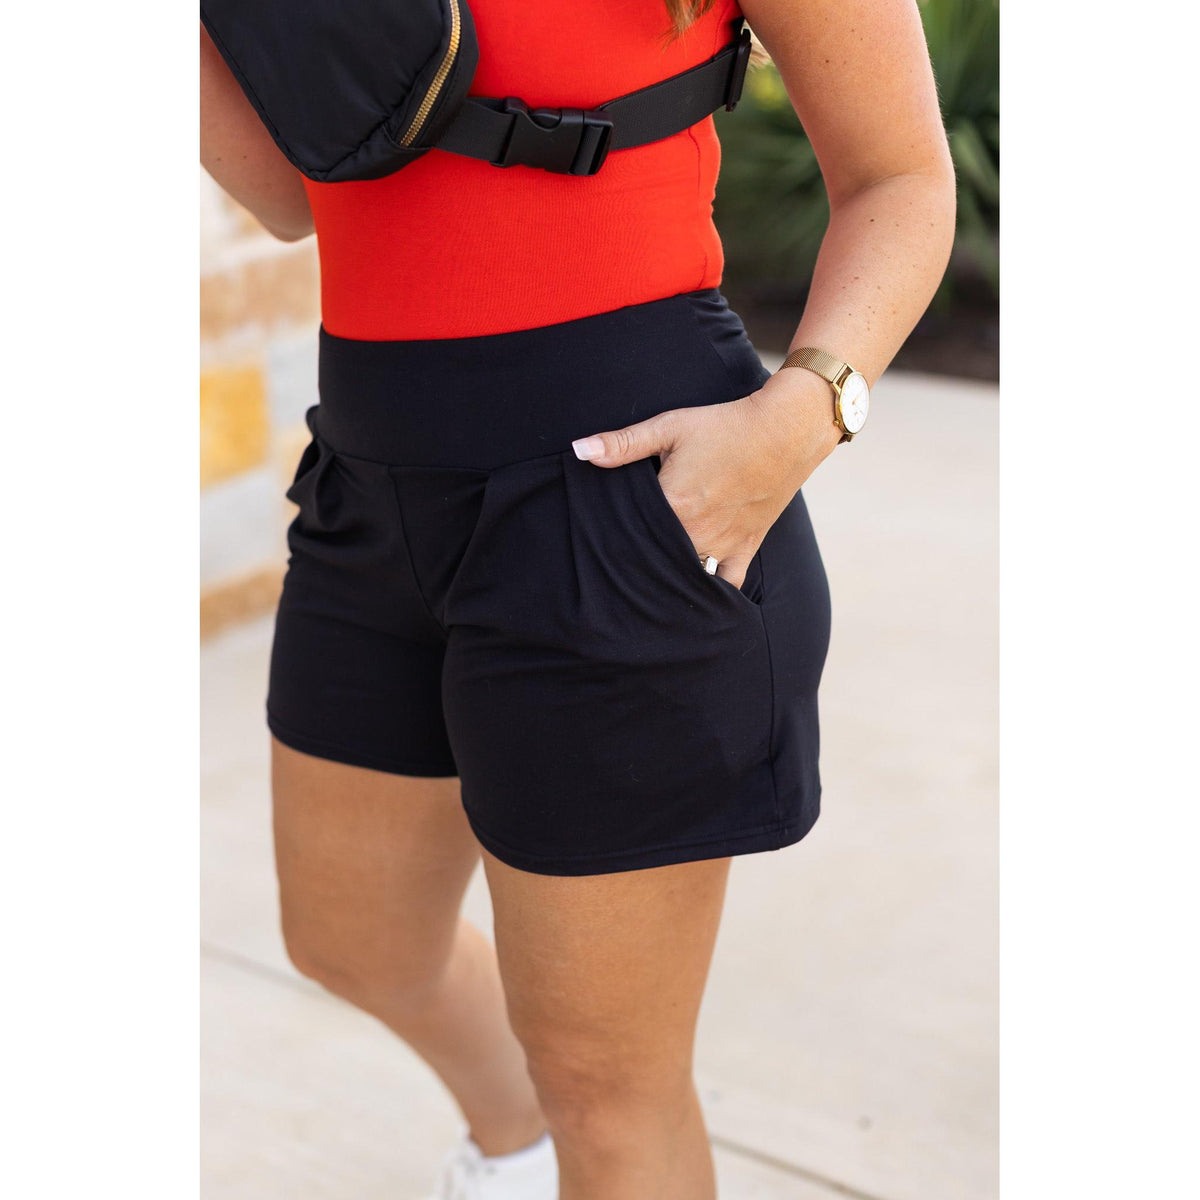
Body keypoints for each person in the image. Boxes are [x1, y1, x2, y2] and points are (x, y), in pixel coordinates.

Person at [200, 0, 956, 1196]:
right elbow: (299, 191)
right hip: (372, 485)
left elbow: (902, 177)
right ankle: (518, 1146)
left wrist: (802, 415)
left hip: (622, 496)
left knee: (609, 1092)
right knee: (353, 938)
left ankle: (560, 1135)